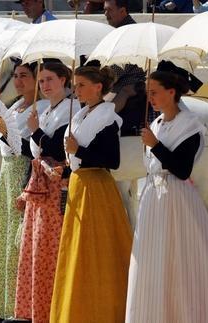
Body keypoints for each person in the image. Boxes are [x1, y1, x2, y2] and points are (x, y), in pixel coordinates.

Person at [125, 67, 208, 322]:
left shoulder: (190, 126)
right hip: (153, 198)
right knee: (153, 259)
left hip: (177, 199)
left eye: (155, 92)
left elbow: (182, 170)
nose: (150, 98)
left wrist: (155, 146)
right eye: (148, 93)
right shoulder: (157, 123)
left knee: (178, 258)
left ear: (171, 92)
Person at [50, 65, 133, 323]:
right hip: (79, 184)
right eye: (75, 85)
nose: (77, 90)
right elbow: (75, 155)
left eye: (82, 85)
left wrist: (79, 151)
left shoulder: (107, 116)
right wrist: (65, 167)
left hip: (96, 188)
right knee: (77, 251)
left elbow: (112, 160)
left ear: (98, 88)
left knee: (97, 252)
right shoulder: (82, 114)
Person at [12, 61, 80, 323]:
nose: (45, 85)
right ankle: (34, 309)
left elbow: (56, 148)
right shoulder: (45, 110)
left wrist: (36, 130)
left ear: (64, 80)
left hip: (56, 184)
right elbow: (34, 153)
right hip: (39, 184)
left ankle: (52, 308)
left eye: (50, 79)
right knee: (35, 247)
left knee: (51, 247)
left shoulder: (70, 111)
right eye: (41, 81)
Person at [0, 61, 48, 322]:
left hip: (23, 170)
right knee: (5, 238)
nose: (19, 81)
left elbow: (27, 148)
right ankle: (5, 302)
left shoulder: (40, 108)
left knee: (18, 240)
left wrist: (7, 131)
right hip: (7, 172)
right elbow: (5, 148)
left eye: (24, 76)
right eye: (17, 76)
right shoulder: (13, 106)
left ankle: (19, 305)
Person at [103, 0, 148, 136]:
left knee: (101, 113)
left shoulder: (130, 33)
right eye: (105, 10)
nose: (106, 14)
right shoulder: (119, 31)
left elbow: (120, 66)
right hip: (119, 81)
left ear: (122, 11)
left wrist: (100, 78)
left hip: (130, 83)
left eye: (109, 10)